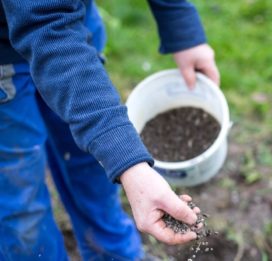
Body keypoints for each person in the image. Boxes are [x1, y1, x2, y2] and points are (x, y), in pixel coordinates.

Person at [0, 0, 220, 260]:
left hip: (74, 24)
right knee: (22, 201)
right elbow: (45, 23)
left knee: (94, 165)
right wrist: (128, 162)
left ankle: (114, 254)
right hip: (14, 54)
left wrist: (181, 25)